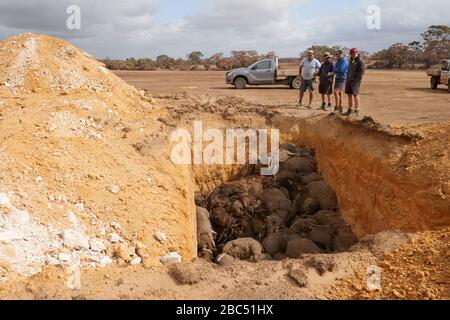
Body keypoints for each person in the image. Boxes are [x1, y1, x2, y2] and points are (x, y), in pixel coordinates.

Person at [344, 48, 365, 116]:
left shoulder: (360, 61)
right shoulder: (351, 60)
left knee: (355, 95)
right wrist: (347, 79)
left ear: (356, 53)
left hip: (355, 82)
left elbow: (361, 74)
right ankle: (350, 109)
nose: (352, 55)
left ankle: (356, 110)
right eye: (351, 54)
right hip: (349, 80)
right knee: (349, 94)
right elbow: (349, 70)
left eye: (353, 54)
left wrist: (355, 82)